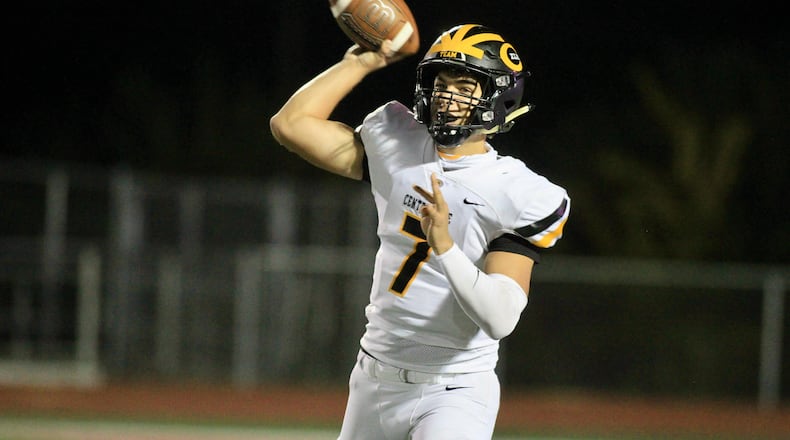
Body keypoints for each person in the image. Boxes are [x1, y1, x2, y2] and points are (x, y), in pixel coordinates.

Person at [270, 23, 570, 440]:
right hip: (374, 377)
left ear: (499, 97)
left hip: (455, 388)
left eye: (464, 87)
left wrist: (446, 247)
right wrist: (359, 62)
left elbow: (500, 317)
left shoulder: (515, 190)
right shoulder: (398, 141)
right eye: (441, 83)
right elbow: (290, 124)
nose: (447, 98)